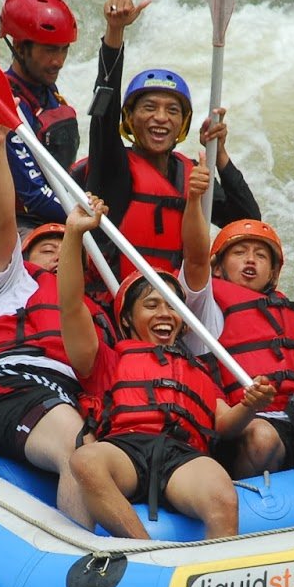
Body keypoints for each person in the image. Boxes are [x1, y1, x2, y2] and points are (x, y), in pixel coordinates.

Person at [57, 195, 275, 540]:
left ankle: (213, 582)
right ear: (127, 320)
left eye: (173, 308)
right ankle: (145, 553)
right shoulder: (106, 359)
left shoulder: (197, 369)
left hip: (182, 456)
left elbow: (225, 423)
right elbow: (70, 305)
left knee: (221, 494)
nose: (164, 314)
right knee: (85, 461)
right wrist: (74, 234)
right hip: (125, 449)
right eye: (151, 305)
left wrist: (249, 405)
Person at [0, 119, 109, 527]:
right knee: (80, 453)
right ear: (25, 254)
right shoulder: (4, 279)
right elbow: (2, 221)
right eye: (48, 248)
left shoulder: (91, 310)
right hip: (7, 383)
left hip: (65, 396)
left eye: (68, 248)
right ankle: (88, 562)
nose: (58, 256)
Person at [75, 0, 260, 279]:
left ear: (183, 123)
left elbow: (247, 222)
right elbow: (104, 111)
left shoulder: (190, 175)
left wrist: (219, 154)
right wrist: (115, 32)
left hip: (173, 308)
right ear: (129, 119)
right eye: (149, 108)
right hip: (115, 304)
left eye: (172, 110)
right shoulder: (111, 165)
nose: (161, 117)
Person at [0, 0, 81, 247]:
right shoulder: (2, 103)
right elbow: (34, 194)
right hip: (6, 222)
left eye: (63, 50)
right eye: (49, 50)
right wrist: (85, 214)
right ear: (21, 48)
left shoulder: (46, 92)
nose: (58, 61)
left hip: (46, 213)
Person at [205, 219, 294, 477]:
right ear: (217, 268)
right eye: (240, 253)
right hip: (247, 422)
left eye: (261, 255)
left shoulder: (286, 311)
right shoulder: (207, 308)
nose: (250, 260)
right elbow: (194, 264)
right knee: (262, 438)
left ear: (273, 273)